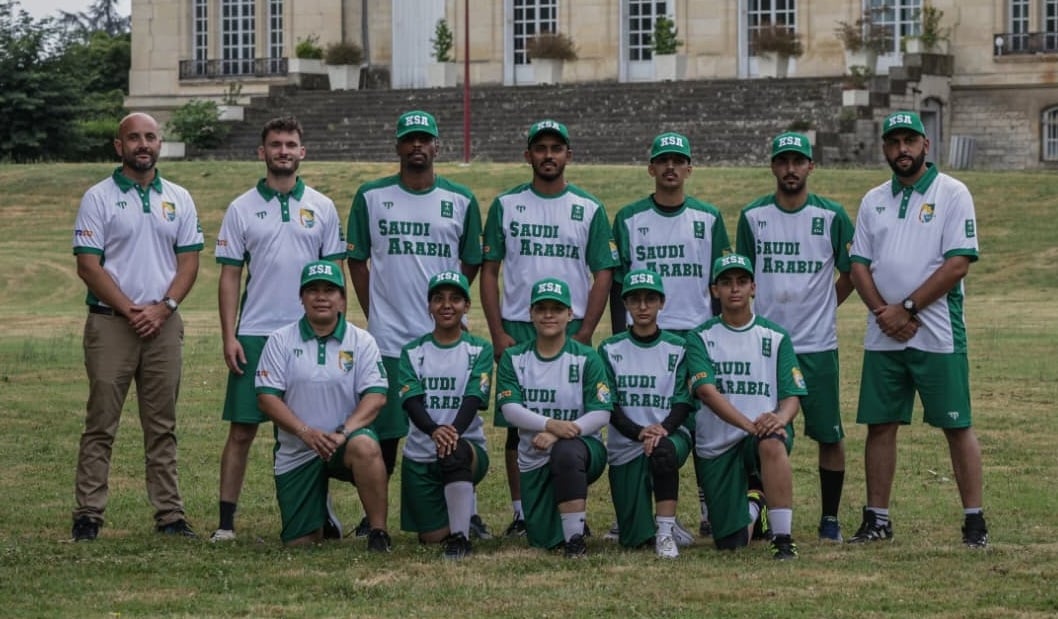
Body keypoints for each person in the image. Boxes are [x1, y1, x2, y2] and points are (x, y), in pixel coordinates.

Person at [847, 111, 987, 548]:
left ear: (925, 144)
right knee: (880, 425)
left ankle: (974, 522)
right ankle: (877, 519)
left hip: (937, 333)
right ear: (884, 148)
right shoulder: (873, 199)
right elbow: (858, 264)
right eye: (894, 142)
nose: (901, 149)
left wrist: (906, 309)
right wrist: (883, 312)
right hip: (883, 334)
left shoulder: (952, 192)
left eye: (910, 140)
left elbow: (958, 263)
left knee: (956, 424)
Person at [346, 110, 485, 538]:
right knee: (388, 433)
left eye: (425, 139)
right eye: (410, 139)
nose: (417, 146)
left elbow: (471, 260)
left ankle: (467, 513)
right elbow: (357, 259)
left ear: (437, 146)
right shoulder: (371, 196)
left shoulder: (461, 199)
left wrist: (451, 305)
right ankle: (374, 518)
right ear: (398, 146)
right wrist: (376, 310)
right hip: (389, 336)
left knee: (453, 425)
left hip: (445, 339)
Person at [212, 117, 346, 543]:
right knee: (242, 430)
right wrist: (229, 335)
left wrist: (339, 329)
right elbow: (230, 275)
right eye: (275, 144)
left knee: (309, 428)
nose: (283, 151)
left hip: (308, 332)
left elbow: (336, 275)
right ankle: (225, 523)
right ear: (262, 152)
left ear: (302, 152)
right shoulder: (241, 208)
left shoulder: (323, 207)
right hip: (255, 333)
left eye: (290, 144)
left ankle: (320, 514)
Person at [481, 119, 618, 537]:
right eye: (540, 148)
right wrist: (497, 332)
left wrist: (585, 331)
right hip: (520, 326)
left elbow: (603, 272)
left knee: (573, 421)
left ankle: (573, 511)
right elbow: (490, 272)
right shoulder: (506, 204)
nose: (548, 155)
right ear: (528, 155)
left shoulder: (588, 207)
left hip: (570, 327)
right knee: (518, 426)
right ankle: (522, 513)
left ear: (568, 156)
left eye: (556, 148)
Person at [70, 112, 203, 541]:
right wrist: (132, 310)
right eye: (134, 138)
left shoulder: (179, 197)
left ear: (159, 143)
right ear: (119, 146)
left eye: (150, 137)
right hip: (111, 324)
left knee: (162, 425)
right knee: (101, 422)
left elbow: (189, 263)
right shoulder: (98, 197)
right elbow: (88, 266)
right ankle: (88, 514)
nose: (142, 144)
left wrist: (163, 309)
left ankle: (170, 515)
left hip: (163, 325)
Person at [609, 131, 730, 539]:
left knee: (699, 425)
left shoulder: (709, 217)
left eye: (678, 160)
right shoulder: (629, 218)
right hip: (644, 334)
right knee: (644, 418)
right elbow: (619, 284)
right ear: (651, 168)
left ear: (690, 168)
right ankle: (638, 510)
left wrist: (717, 337)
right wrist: (620, 337)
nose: (671, 167)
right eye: (663, 160)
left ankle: (706, 506)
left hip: (695, 335)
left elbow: (718, 284)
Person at [735, 132, 855, 542]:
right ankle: (762, 514)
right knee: (761, 429)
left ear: (810, 166)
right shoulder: (753, 216)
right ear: (773, 166)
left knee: (828, 433)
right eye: (783, 161)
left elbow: (851, 271)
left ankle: (830, 518)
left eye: (798, 161)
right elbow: (742, 278)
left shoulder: (831, 215)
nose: (790, 169)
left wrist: (826, 305)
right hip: (766, 347)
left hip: (817, 345)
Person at [255, 261, 391, 549]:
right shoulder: (280, 340)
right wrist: (305, 432)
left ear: (342, 299)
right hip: (298, 449)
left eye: (330, 290)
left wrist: (343, 432)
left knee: (365, 446)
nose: (321, 297)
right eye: (313, 290)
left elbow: (376, 396)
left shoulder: (362, 341)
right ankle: (323, 512)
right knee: (301, 543)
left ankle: (378, 531)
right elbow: (267, 398)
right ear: (301, 298)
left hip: (344, 442)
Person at [683, 254, 807, 560]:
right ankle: (756, 502)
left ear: (753, 287)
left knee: (772, 441)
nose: (734, 289)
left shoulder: (775, 336)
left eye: (741, 281)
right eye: (726, 283)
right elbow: (707, 392)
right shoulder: (699, 337)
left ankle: (783, 538)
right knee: (731, 542)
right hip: (718, 442)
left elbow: (792, 395)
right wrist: (749, 425)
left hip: (761, 433)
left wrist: (779, 419)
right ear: (715, 290)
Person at [496, 278, 612, 557]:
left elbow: (601, 412)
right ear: (531, 314)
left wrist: (560, 433)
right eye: (542, 308)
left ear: (570, 314)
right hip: (534, 456)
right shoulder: (514, 357)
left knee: (566, 452)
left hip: (583, 448)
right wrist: (549, 425)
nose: (549, 315)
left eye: (557, 309)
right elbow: (510, 410)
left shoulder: (586, 357)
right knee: (542, 539)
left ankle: (575, 540)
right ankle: (564, 521)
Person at [397, 271, 494, 560]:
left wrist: (450, 434)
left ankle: (461, 538)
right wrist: (434, 431)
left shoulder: (479, 349)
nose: (446, 305)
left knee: (454, 452)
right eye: (438, 299)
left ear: (467, 306)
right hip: (421, 454)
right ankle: (458, 518)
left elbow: (474, 398)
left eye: (455, 299)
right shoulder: (412, 351)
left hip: (467, 448)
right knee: (431, 538)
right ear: (429, 306)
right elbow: (411, 400)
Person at [598, 270, 694, 558]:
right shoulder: (609, 348)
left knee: (663, 451)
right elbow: (609, 404)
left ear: (661, 303)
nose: (642, 306)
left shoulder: (677, 347)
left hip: (669, 435)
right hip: (627, 441)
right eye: (635, 299)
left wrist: (661, 430)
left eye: (650, 299)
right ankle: (647, 524)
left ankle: (665, 531)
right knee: (634, 539)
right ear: (625, 303)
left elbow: (682, 400)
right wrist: (639, 432)